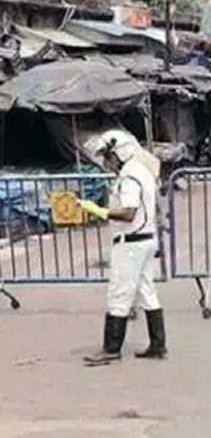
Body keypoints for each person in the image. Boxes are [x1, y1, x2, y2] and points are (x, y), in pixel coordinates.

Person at [80, 131, 166, 366]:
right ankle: (158, 344)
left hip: (131, 242)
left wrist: (99, 211)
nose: (108, 161)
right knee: (147, 291)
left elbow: (129, 212)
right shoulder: (143, 171)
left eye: (109, 156)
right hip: (146, 239)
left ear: (121, 151)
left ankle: (111, 348)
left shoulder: (129, 176)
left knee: (119, 293)